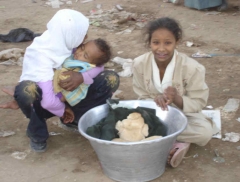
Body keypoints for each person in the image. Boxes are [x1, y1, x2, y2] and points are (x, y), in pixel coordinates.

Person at [0, 9, 119, 153]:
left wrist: (82, 77)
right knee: (26, 90)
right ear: (70, 33)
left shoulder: (69, 44)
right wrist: (64, 110)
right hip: (46, 102)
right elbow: (48, 101)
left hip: (72, 96)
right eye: (82, 33)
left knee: (110, 78)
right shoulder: (41, 54)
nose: (85, 37)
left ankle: (76, 120)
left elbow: (99, 65)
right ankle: (37, 134)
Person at [132, 17, 213, 168]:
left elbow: (198, 102)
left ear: (177, 42)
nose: (161, 49)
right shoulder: (139, 64)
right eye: (156, 42)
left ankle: (161, 138)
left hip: (184, 114)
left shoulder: (192, 68)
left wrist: (176, 98)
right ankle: (177, 141)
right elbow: (142, 96)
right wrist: (156, 99)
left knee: (205, 132)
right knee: (131, 120)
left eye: (167, 43)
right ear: (149, 42)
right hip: (154, 112)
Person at [53, 38, 112, 106]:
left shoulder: (87, 66)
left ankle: (61, 103)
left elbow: (100, 67)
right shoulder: (73, 52)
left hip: (69, 89)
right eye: (82, 48)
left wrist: (83, 76)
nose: (80, 53)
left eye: (85, 56)